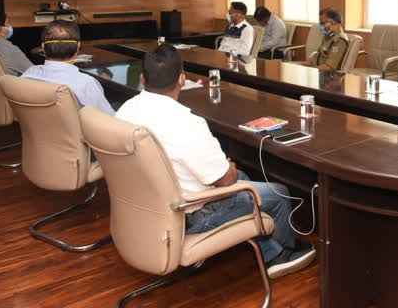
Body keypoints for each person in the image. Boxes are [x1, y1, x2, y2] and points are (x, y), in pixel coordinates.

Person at [116, 45, 316, 278]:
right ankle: (280, 256)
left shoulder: (124, 111)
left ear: (142, 78)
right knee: (279, 193)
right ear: (182, 79)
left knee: (244, 179)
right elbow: (225, 179)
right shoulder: (186, 123)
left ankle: (268, 247)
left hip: (144, 203)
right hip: (189, 214)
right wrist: (228, 168)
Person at [22, 20, 114, 115]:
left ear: (43, 47)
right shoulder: (86, 84)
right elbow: (110, 120)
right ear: (78, 46)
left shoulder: (29, 74)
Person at [0, 11, 33, 76]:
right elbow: (34, 72)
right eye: (7, 23)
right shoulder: (10, 49)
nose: (9, 26)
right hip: (14, 85)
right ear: (0, 29)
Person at [302, 8, 349, 72]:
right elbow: (318, 56)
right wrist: (300, 66)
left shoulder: (339, 40)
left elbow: (329, 67)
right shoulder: (328, 36)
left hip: (328, 76)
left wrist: (310, 71)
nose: (321, 26)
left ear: (332, 22)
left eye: (322, 23)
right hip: (318, 70)